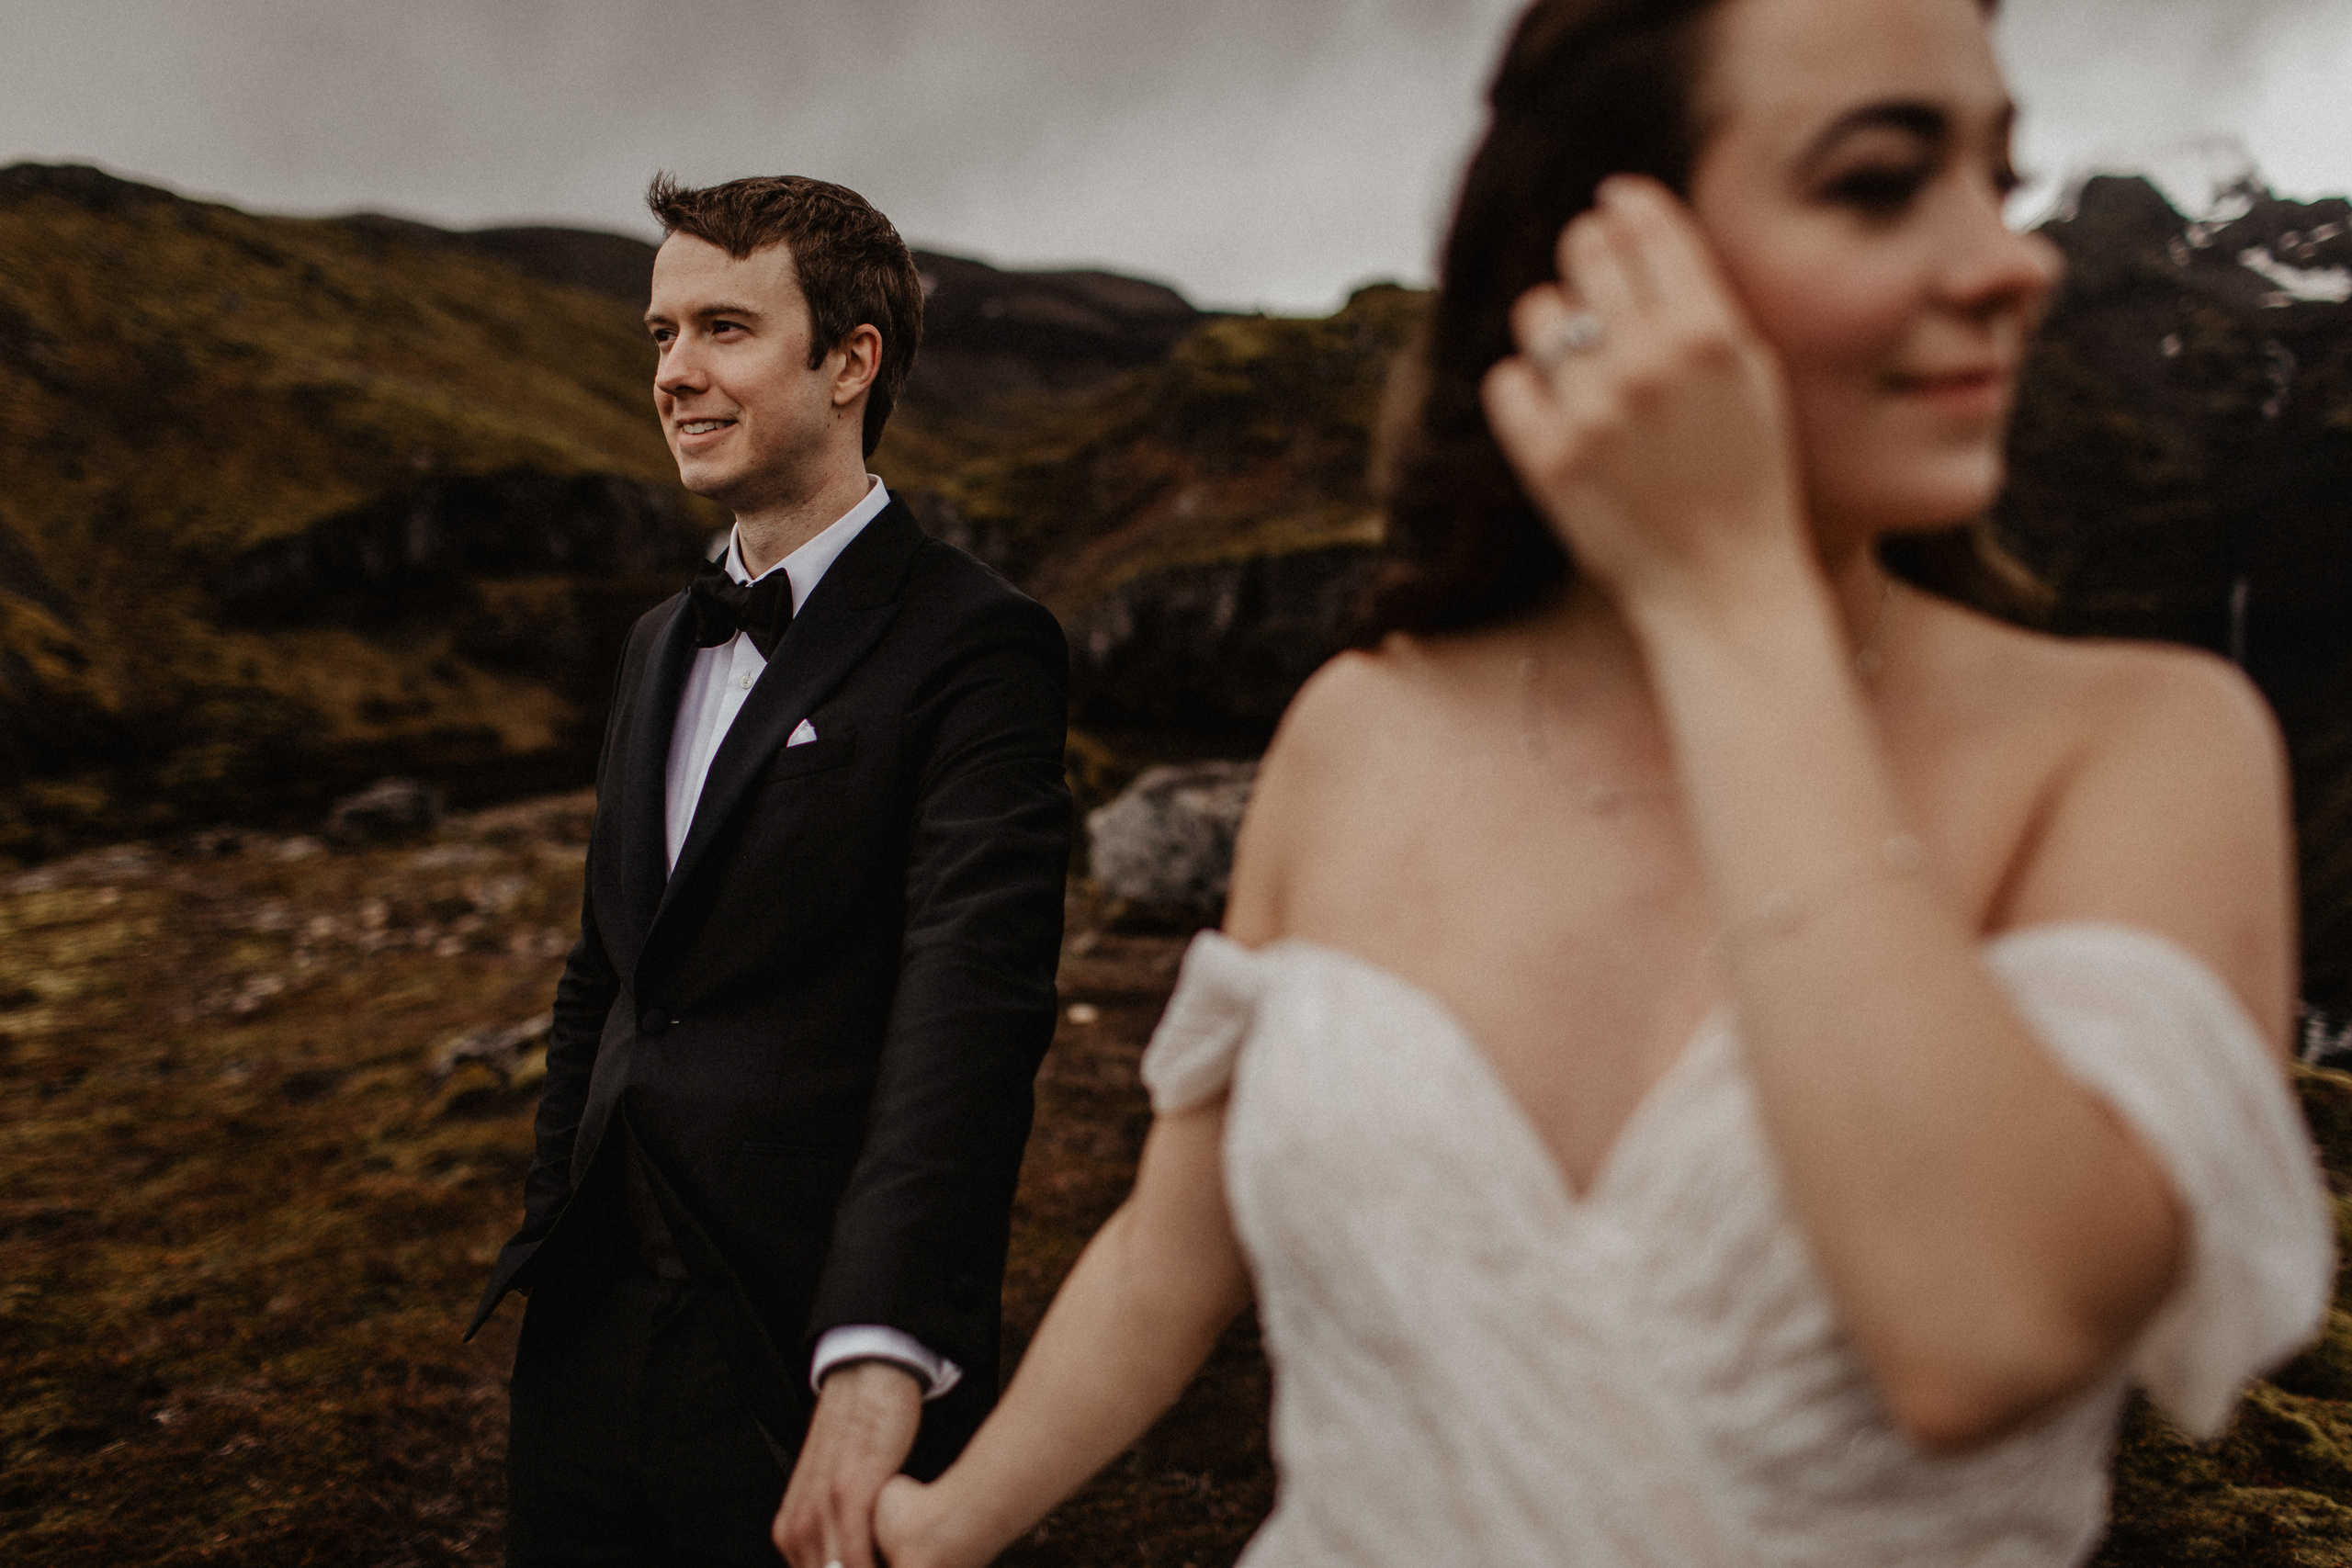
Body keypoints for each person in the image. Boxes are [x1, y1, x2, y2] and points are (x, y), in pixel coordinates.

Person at [866, 0, 2336, 1562]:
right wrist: (942, 1526)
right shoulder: (1358, 730)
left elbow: (1982, 1328)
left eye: (2000, 175)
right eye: (1883, 181)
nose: (2012, 260)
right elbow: (1177, 1243)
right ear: (1600, 262)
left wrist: (1731, 602)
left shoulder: (2143, 748)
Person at [463, 174, 1072, 1568]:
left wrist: (880, 1344)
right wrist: (557, 1206)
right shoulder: (654, 644)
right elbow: (607, 970)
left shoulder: (979, 645)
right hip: (589, 1327)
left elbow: (969, 1010)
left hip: (795, 1337)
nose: (675, 372)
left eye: (725, 328)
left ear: (851, 360)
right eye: (660, 334)